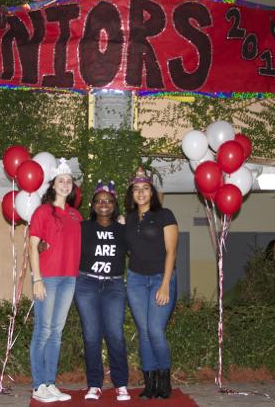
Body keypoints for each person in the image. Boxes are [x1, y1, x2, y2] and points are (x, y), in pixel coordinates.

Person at [28, 158, 82, 403]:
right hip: (47, 278)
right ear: (53, 185)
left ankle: (50, 383)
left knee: (57, 332)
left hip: (69, 278)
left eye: (69, 181)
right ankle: (38, 385)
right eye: (61, 180)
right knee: (43, 331)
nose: (65, 184)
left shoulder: (75, 215)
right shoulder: (42, 211)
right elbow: (32, 245)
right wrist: (36, 278)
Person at [124, 167, 178, 399]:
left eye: (145, 188)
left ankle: (164, 380)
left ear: (152, 192)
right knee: (144, 332)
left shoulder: (165, 215)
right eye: (136, 189)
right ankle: (150, 383)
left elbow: (172, 251)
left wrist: (165, 284)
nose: (141, 193)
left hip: (160, 278)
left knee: (155, 330)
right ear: (132, 194)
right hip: (135, 279)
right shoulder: (127, 219)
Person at [74, 181, 131, 402]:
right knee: (91, 336)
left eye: (108, 201)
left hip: (114, 286)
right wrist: (43, 246)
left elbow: (140, 247)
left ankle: (121, 383)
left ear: (114, 204)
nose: (103, 204)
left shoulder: (122, 230)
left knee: (115, 335)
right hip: (87, 284)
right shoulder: (83, 227)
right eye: (99, 201)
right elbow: (65, 244)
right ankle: (95, 384)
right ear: (93, 205)